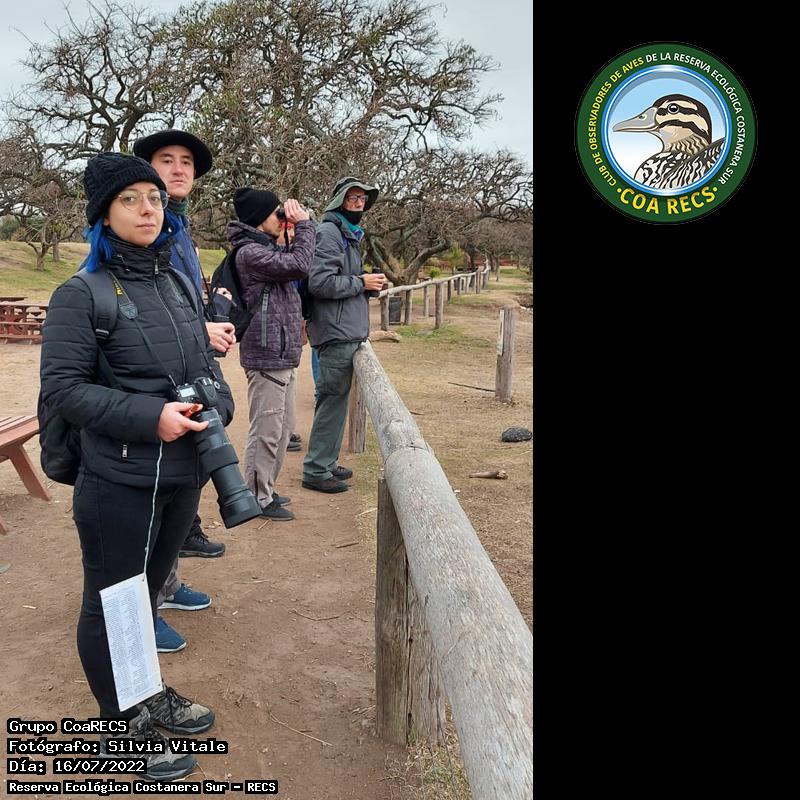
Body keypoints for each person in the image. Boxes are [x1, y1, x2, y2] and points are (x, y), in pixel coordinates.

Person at [39, 152, 233, 781]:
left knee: (146, 596)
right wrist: (151, 417)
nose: (148, 209)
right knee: (112, 602)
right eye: (131, 199)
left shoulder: (174, 282)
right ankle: (118, 725)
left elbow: (199, 365)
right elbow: (65, 390)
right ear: (104, 213)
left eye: (154, 198)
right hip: (117, 479)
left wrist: (219, 402)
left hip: (181, 475)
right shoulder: (80, 294)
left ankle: (145, 696)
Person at [133, 129, 230, 651]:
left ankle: (165, 585)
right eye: (165, 160)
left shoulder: (179, 229)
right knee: (150, 501)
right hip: (149, 389)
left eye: (186, 162)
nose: (177, 169)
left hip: (186, 375)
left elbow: (181, 301)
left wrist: (205, 324)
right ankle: (140, 608)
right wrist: (197, 331)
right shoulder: (142, 229)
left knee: (179, 491)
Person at [227, 187, 315, 520]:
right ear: (258, 217)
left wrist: (296, 229)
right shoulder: (249, 253)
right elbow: (300, 264)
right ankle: (255, 497)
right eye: (276, 212)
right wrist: (303, 225)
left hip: (281, 354)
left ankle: (266, 488)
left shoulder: (266, 248)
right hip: (266, 355)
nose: (281, 217)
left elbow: (297, 264)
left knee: (282, 428)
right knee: (265, 430)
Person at [302, 176, 385, 493]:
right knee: (332, 401)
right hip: (335, 333)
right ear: (339, 201)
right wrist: (360, 283)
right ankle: (316, 469)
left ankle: (326, 461)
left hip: (343, 330)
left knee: (336, 401)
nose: (359, 203)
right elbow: (320, 283)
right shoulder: (329, 233)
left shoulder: (347, 234)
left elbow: (341, 279)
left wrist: (367, 286)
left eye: (362, 199)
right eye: (353, 198)